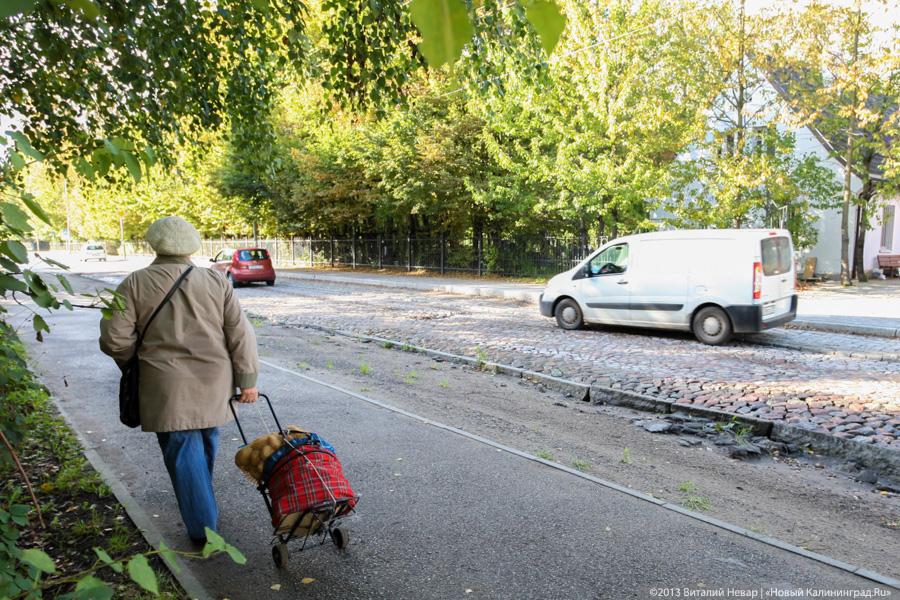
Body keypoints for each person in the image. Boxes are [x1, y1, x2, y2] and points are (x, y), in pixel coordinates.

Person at [99, 216, 260, 544]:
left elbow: (114, 339)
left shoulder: (134, 283)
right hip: (215, 382)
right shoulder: (216, 282)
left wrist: (136, 361)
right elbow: (240, 334)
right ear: (192, 245)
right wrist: (247, 380)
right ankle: (202, 507)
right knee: (205, 440)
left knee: (183, 450)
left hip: (166, 385)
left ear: (154, 244)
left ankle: (203, 530)